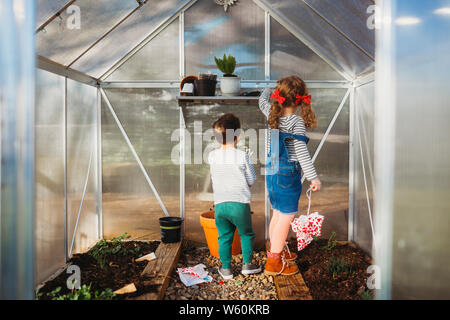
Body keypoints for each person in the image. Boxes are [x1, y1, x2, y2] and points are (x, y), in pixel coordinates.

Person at [259, 76, 322, 276]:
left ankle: (275, 250)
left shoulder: (271, 113)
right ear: (300, 99)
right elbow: (302, 152)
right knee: (285, 217)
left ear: (280, 97)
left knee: (277, 213)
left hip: (271, 171)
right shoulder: (296, 121)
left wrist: (268, 90)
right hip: (287, 174)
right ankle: (274, 263)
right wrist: (314, 177)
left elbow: (261, 101)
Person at [208, 114, 262, 280]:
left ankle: (226, 269)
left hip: (220, 205)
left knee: (224, 236)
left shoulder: (212, 156)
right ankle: (247, 265)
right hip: (239, 204)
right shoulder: (242, 156)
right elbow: (251, 179)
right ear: (238, 136)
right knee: (246, 234)